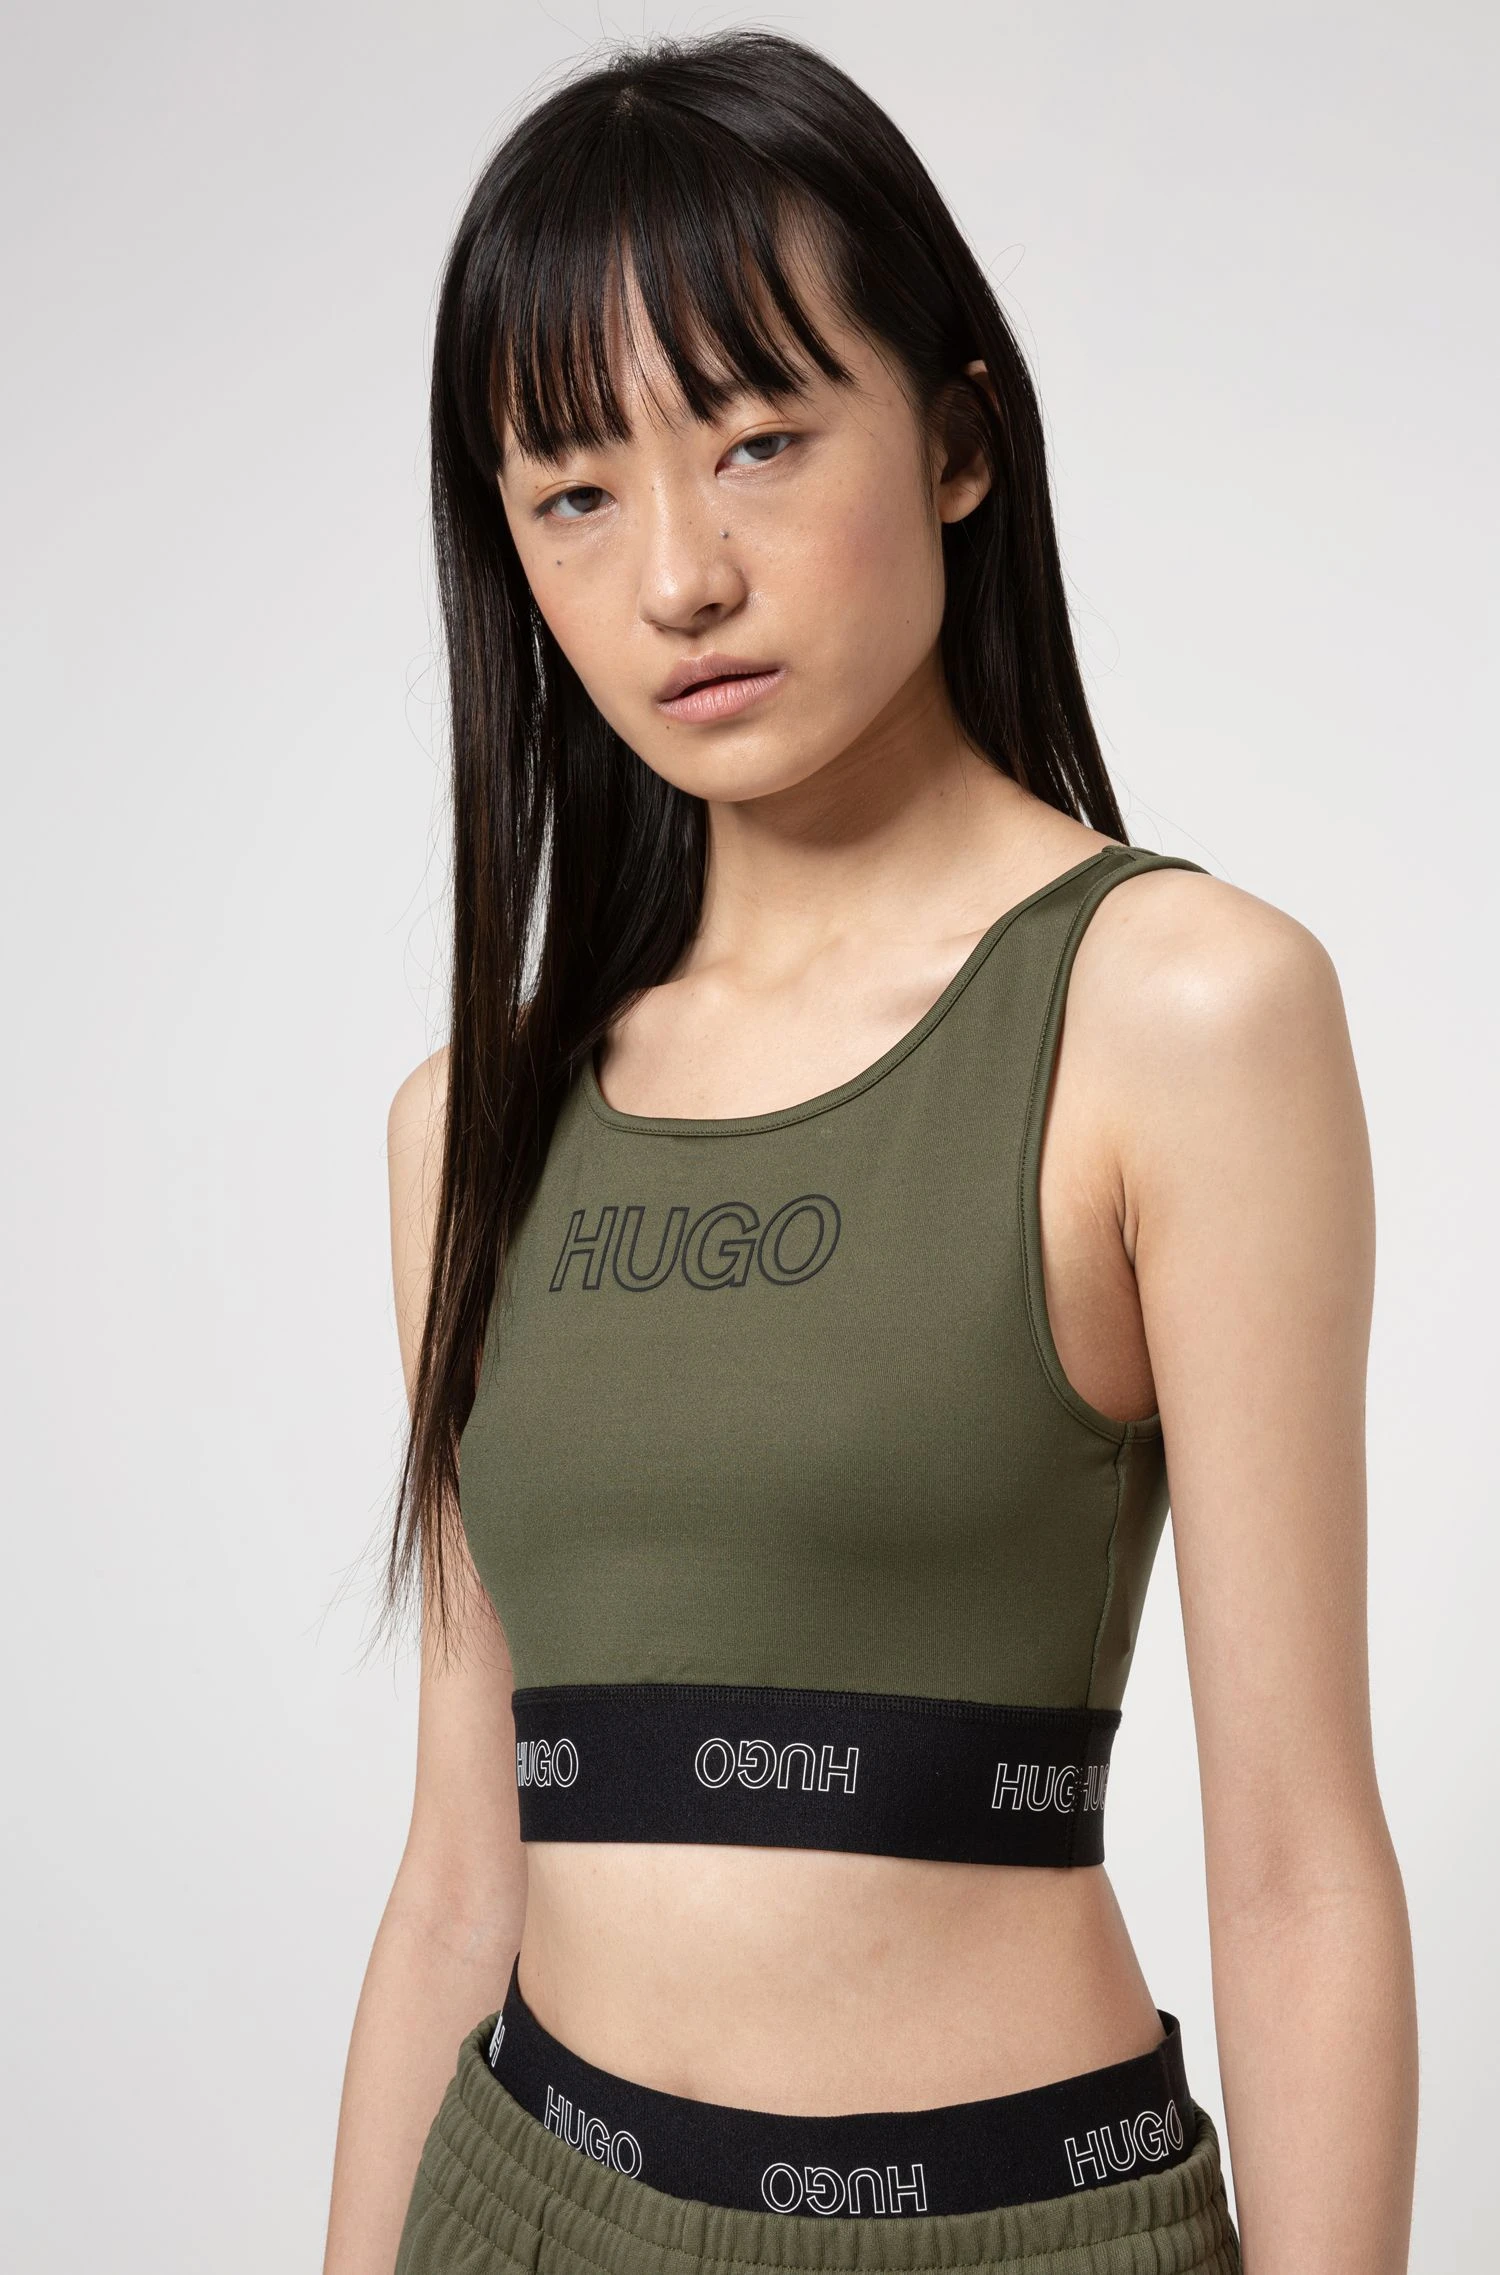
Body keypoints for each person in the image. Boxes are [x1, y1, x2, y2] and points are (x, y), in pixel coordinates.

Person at [322, 30, 1417, 2275]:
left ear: (958, 442)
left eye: (756, 439)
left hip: (1008, 2230)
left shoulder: (1178, 1012)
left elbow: (1301, 1863)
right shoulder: (471, 1125)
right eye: (574, 492)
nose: (679, 577)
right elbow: (456, 1872)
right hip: (515, 2203)